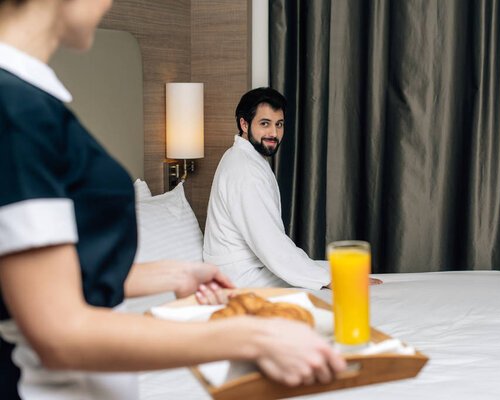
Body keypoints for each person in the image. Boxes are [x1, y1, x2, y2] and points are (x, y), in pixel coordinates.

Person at [0, 1, 346, 399]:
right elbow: (58, 331)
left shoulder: (30, 105)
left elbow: (60, 278)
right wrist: (249, 338)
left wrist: (173, 274)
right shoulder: (18, 114)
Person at [203, 87, 383, 289]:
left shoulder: (241, 157)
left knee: (344, 270)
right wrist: (329, 280)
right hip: (241, 279)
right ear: (244, 124)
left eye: (279, 124)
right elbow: (270, 245)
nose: (274, 133)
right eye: (265, 124)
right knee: (341, 277)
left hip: (250, 267)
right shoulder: (245, 171)